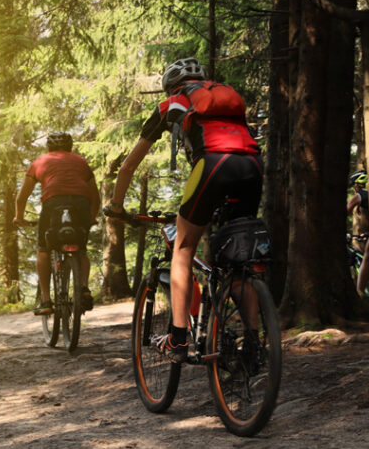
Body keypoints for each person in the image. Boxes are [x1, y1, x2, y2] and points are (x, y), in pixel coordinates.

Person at [103, 58, 263, 362]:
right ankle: (253, 343)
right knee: (240, 258)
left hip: (214, 166)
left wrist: (117, 206)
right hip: (252, 166)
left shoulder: (172, 104)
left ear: (170, 86)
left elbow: (127, 167)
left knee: (183, 249)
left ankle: (178, 339)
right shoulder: (225, 97)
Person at [14, 132, 99, 316]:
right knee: (81, 248)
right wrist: (91, 217)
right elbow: (95, 196)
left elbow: (22, 197)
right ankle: (84, 288)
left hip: (53, 202)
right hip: (82, 203)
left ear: (49, 147)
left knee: (44, 249)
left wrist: (19, 217)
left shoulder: (40, 161)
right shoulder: (81, 162)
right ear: (70, 146)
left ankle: (45, 300)